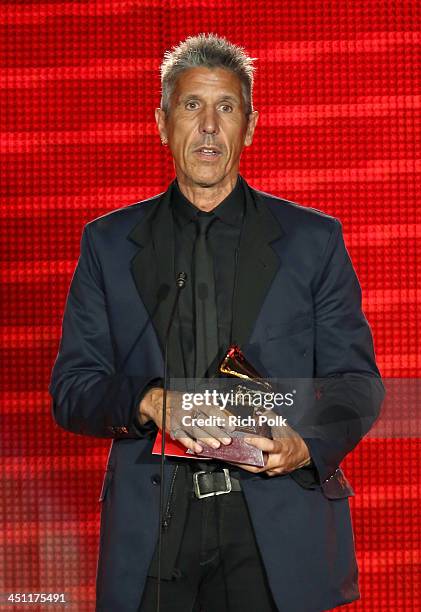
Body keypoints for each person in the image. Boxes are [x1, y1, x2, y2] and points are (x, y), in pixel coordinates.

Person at [49, 33, 385, 612]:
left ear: (250, 126)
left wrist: (306, 445)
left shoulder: (313, 242)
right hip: (154, 528)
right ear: (162, 122)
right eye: (191, 105)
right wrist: (152, 401)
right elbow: (73, 390)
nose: (208, 126)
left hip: (274, 529)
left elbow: (358, 384)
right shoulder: (107, 245)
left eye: (226, 108)